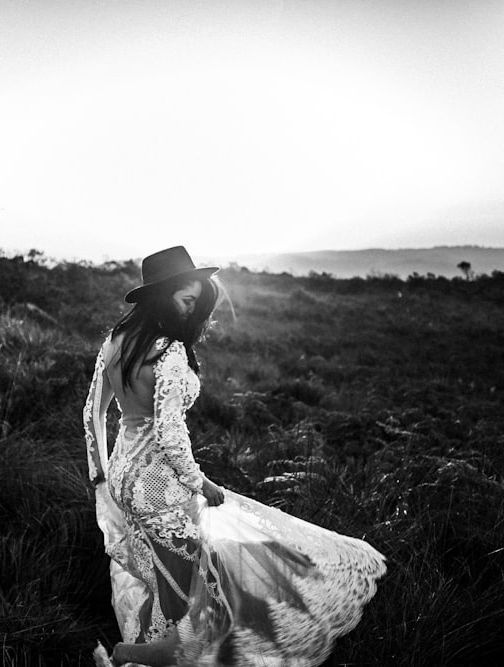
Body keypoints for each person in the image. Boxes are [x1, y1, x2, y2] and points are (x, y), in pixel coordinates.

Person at [84, 246, 385, 667]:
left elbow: (92, 413)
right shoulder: (168, 351)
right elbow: (170, 434)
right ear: (161, 295)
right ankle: (128, 656)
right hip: (161, 484)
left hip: (124, 474)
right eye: (188, 301)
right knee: (192, 600)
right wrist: (201, 483)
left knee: (173, 583)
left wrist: (100, 474)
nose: (193, 314)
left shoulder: (116, 342)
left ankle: (150, 649)